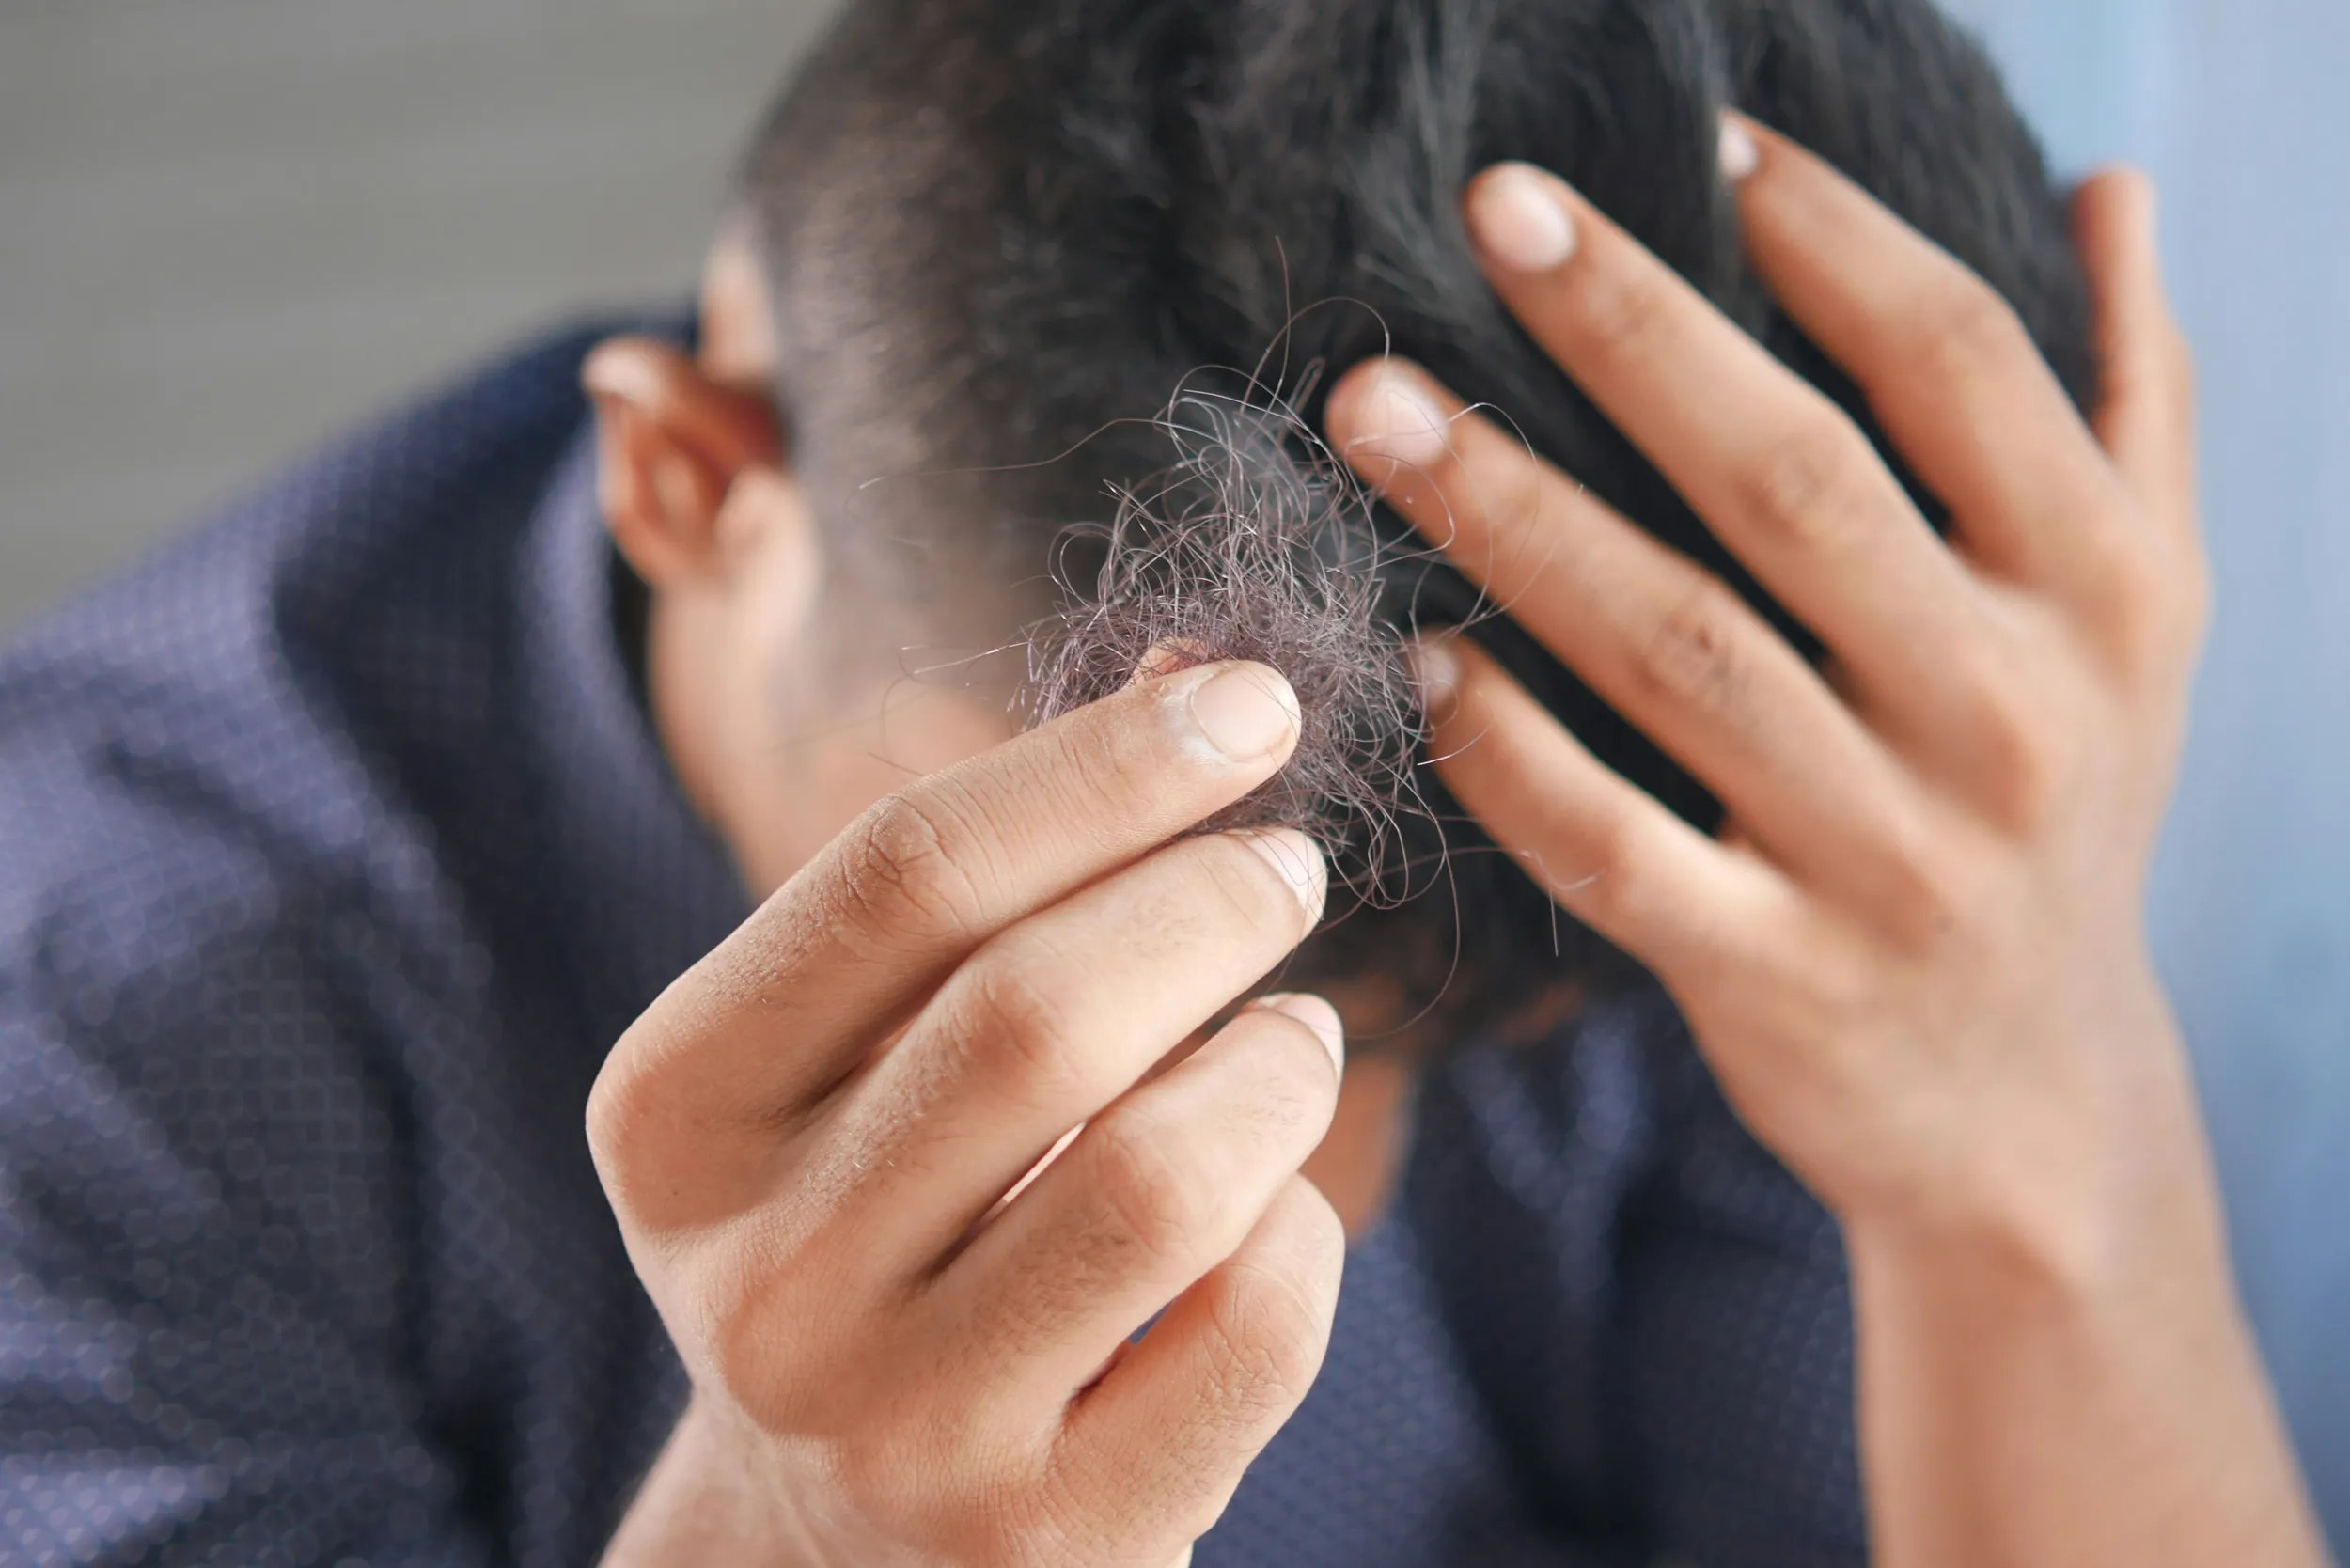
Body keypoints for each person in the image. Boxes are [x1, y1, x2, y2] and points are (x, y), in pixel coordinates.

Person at [0, 1, 2327, 1564]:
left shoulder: (1716, 819)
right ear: (692, 481)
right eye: (1090, 900)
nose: (1267, 1218)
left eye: (1468, 1038)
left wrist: (2037, 1140)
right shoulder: (85, 1041)